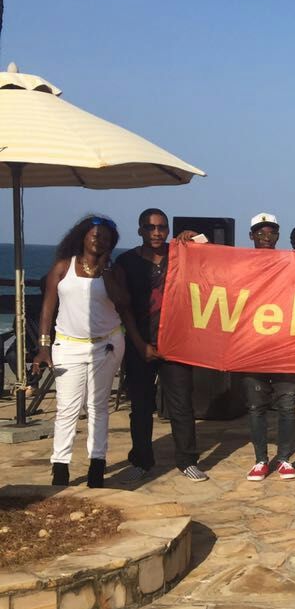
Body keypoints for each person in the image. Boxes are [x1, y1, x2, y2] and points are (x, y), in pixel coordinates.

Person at [34, 215, 148, 488]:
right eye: (95, 235)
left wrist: (105, 270)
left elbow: (122, 302)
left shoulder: (114, 271)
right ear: (83, 236)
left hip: (105, 345)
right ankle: (60, 467)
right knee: (67, 408)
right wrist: (43, 346)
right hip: (68, 345)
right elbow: (48, 307)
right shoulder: (64, 266)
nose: (100, 241)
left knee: (98, 407)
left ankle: (97, 465)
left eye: (106, 238)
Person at [115, 208, 207, 482]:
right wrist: (139, 343)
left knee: (182, 405)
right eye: (150, 227)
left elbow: (214, 260)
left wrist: (196, 237)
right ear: (140, 230)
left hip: (176, 344)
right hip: (140, 343)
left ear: (168, 229)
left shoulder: (180, 254)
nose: (156, 232)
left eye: (161, 227)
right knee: (141, 407)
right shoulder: (126, 262)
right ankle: (141, 461)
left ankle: (187, 460)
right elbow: (124, 308)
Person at [243, 213, 295, 481]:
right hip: (253, 347)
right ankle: (260, 460)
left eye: (271, 233)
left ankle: (284, 458)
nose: (266, 238)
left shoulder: (291, 263)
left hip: (286, 347)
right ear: (251, 236)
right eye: (260, 233)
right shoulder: (240, 264)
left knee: (287, 406)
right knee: (255, 407)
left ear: (278, 236)